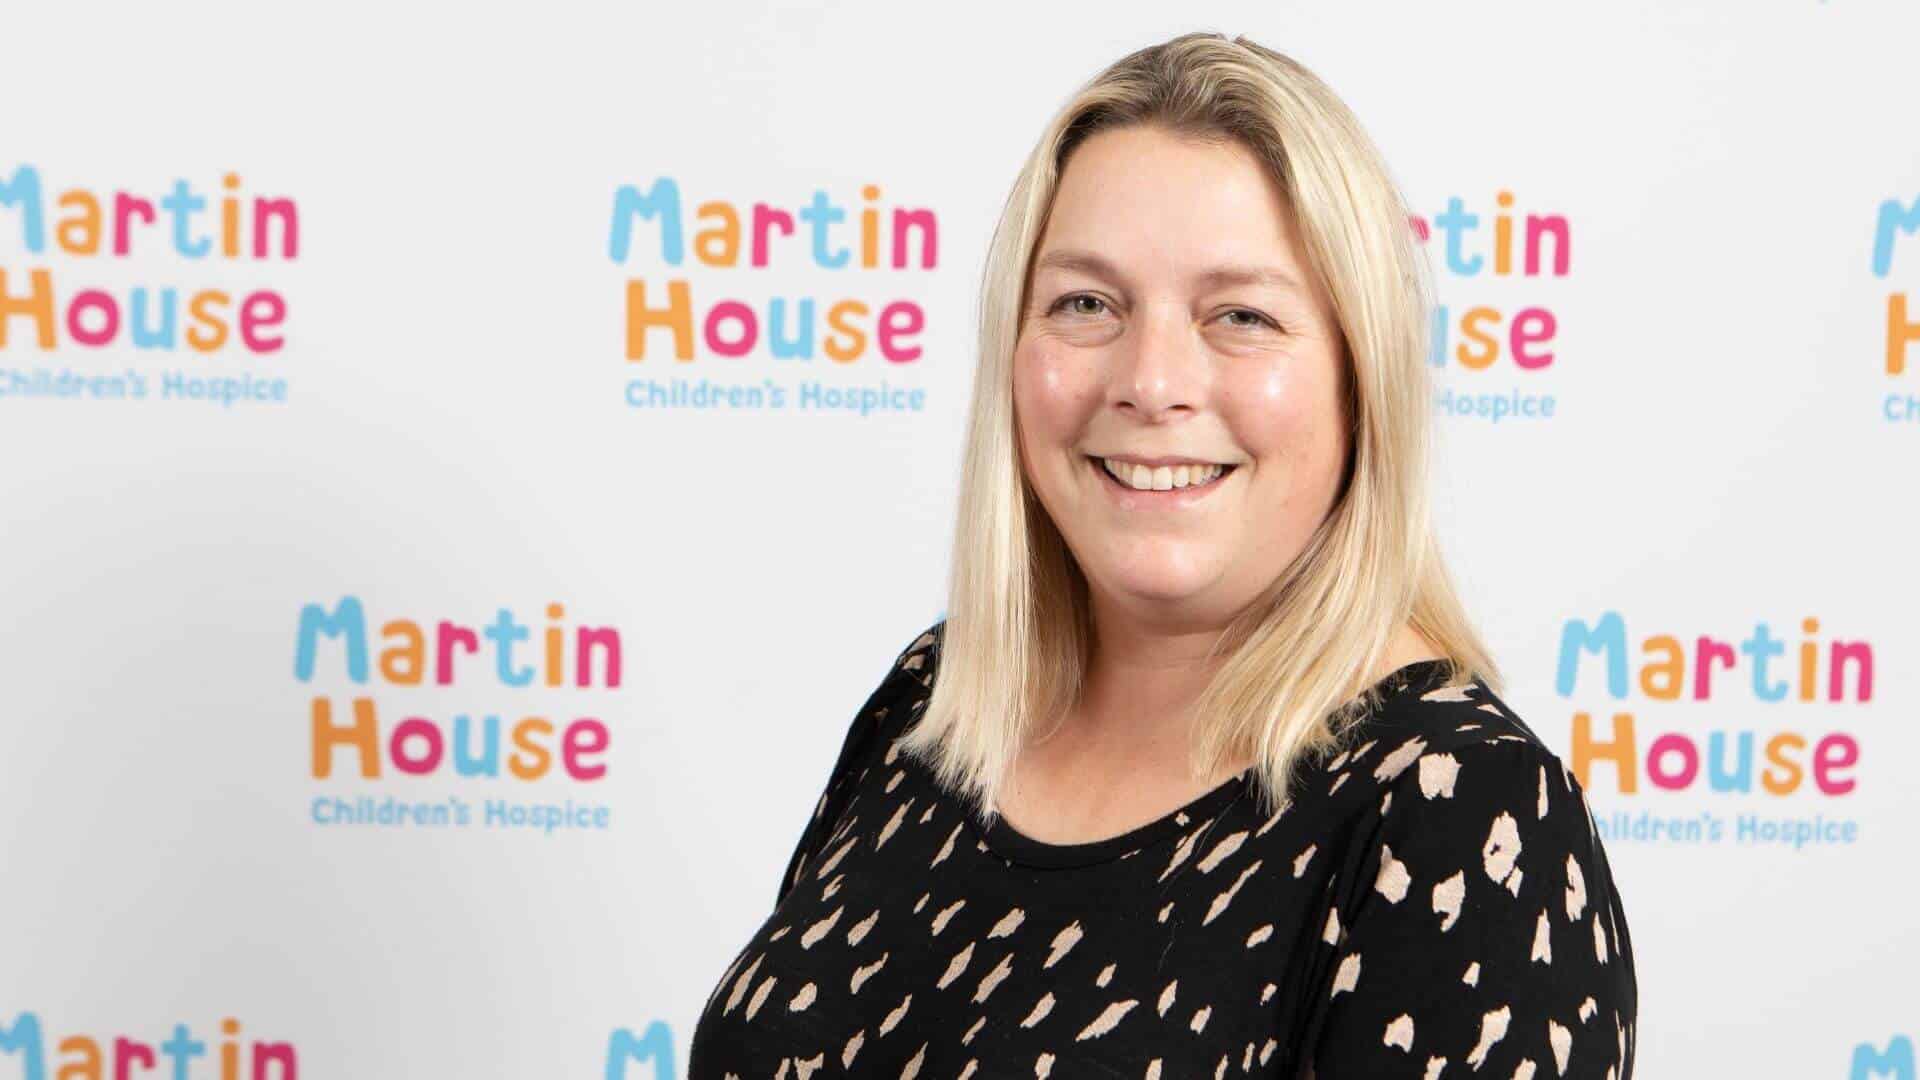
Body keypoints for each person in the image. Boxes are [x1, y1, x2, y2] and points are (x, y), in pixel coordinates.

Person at [688, 30, 1636, 1078]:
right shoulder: (935, 701)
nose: (1150, 381)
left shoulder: (1461, 815)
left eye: (1241, 315)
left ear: (1361, 380)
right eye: (1087, 304)